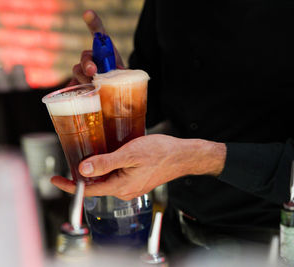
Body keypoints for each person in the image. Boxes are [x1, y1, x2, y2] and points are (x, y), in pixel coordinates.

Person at [51, 1, 294, 255]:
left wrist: (194, 158)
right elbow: (158, 95)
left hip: (275, 247)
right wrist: (118, 88)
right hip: (176, 237)